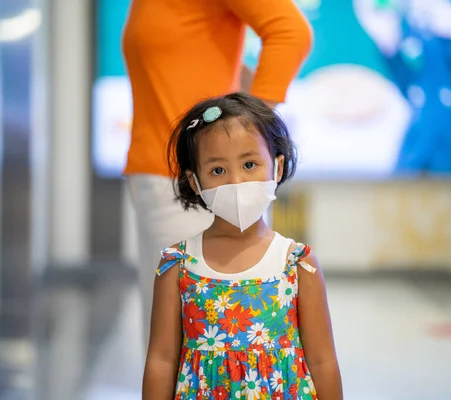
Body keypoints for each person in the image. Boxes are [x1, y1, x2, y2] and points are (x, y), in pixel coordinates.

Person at [122, 0, 313, 346]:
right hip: (163, 176)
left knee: (198, 346)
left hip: (192, 184)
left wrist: (244, 131)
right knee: (178, 343)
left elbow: (291, 33)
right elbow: (203, 59)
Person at [142, 93, 342, 400]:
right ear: (195, 183)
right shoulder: (177, 265)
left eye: (250, 164)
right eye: (218, 170)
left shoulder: (298, 264)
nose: (236, 181)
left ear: (276, 168)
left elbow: (322, 360)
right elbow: (161, 359)